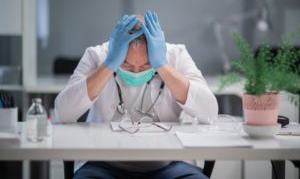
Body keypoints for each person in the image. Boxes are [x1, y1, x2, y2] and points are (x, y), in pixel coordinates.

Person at [55, 11, 218, 179]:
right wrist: (109, 64)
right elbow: (63, 112)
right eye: (127, 65)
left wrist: (162, 65)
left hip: (170, 163)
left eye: (146, 65)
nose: (136, 73)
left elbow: (209, 112)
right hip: (103, 164)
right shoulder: (98, 55)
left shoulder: (175, 55)